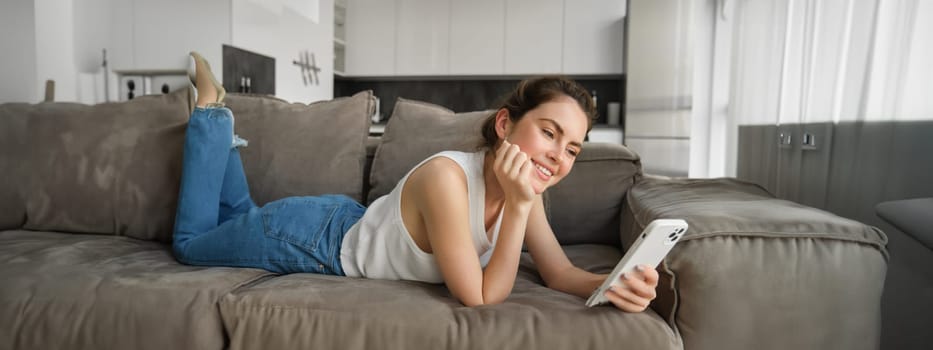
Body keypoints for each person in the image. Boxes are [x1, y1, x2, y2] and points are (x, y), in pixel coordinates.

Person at [173, 52, 659, 312]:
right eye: (549, 133)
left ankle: (217, 121)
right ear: (506, 125)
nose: (558, 156)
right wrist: (517, 204)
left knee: (236, 220)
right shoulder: (447, 178)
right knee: (191, 245)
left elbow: (558, 274)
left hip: (341, 222)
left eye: (572, 148)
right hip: (312, 239)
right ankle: (210, 114)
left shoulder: (523, 193)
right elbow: (481, 296)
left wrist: (611, 284)